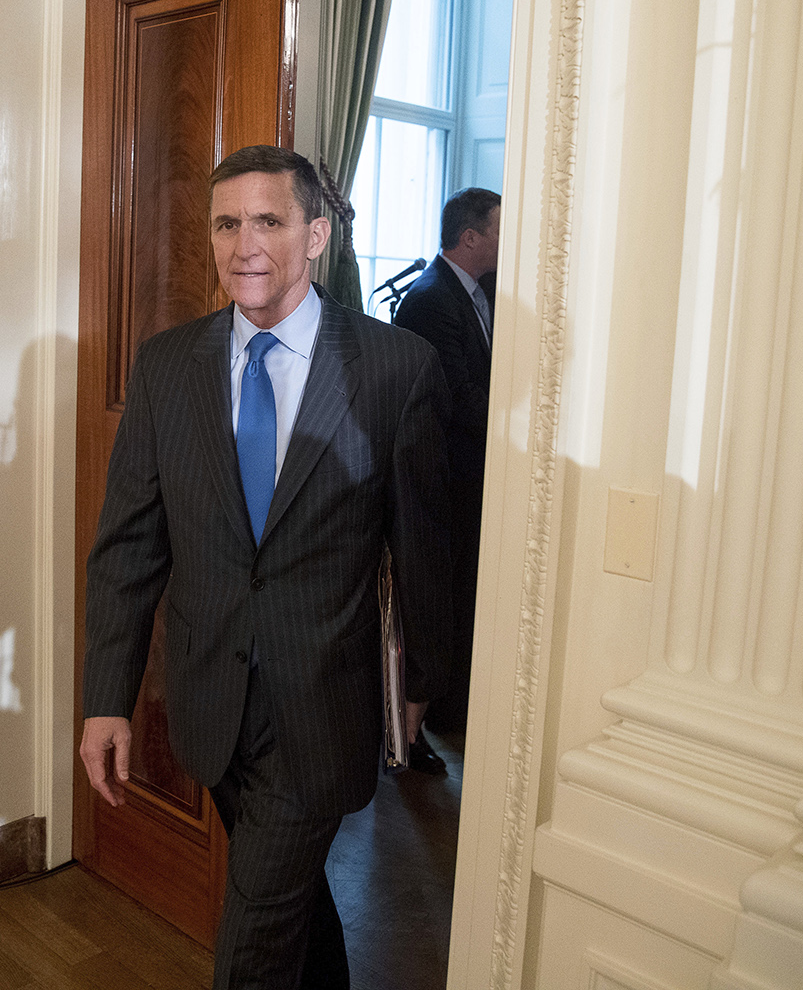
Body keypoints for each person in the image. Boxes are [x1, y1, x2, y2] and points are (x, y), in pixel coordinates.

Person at [80, 145, 452, 990]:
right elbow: (128, 549)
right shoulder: (167, 365)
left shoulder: (395, 368)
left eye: (268, 221)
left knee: (252, 943)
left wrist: (424, 683)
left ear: (315, 234)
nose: (243, 244)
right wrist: (107, 698)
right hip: (212, 702)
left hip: (323, 707)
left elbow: (423, 546)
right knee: (288, 902)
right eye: (226, 223)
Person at [392, 187, 500, 740]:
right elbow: (454, 398)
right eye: (501, 230)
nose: (509, 242)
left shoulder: (488, 292)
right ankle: (432, 718)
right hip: (444, 476)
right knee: (443, 597)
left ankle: (456, 707)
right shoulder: (430, 299)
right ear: (471, 237)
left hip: (476, 474)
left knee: (469, 591)